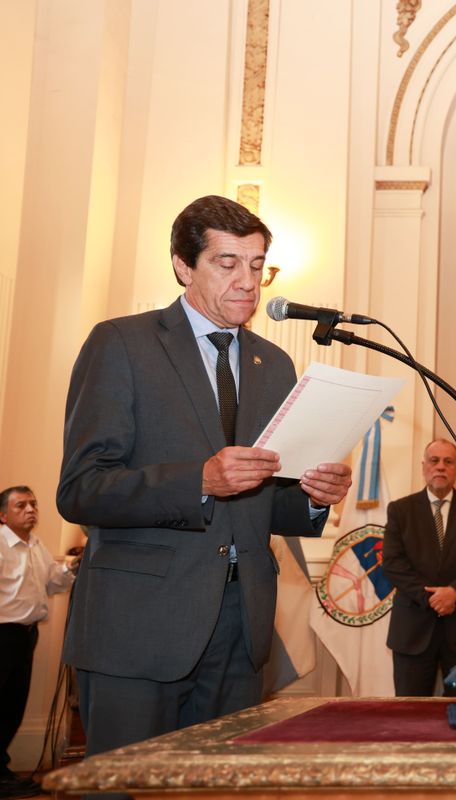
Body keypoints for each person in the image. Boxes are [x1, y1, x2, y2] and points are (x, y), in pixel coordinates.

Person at [57, 195, 352, 757]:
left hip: (240, 629)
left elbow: (264, 499)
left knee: (217, 788)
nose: (248, 281)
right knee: (126, 789)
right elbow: (81, 489)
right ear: (183, 266)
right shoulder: (121, 344)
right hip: (139, 626)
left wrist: (315, 497)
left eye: (258, 265)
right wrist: (198, 481)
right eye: (227, 263)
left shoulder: (274, 364)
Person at [382, 439, 456, 696]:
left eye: (448, 462)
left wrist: (455, 592)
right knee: (410, 710)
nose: (440, 467)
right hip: (412, 628)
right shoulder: (400, 510)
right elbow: (393, 563)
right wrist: (433, 598)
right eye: (434, 461)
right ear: (424, 466)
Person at [0, 486, 74, 797]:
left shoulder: (36, 545)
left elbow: (53, 583)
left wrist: (69, 568)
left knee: (12, 707)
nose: (30, 510)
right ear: (3, 515)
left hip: (26, 636)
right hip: (3, 635)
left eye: (33, 504)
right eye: (20, 505)